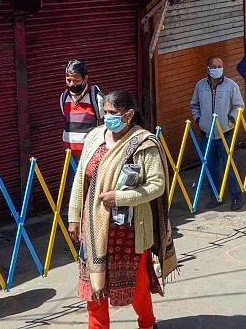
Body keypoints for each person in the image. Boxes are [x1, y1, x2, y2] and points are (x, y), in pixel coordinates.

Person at [68, 90, 177, 329]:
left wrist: (120, 197)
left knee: (137, 283)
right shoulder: (95, 137)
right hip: (95, 226)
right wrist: (73, 216)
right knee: (94, 288)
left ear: (128, 115)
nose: (108, 118)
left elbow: (157, 184)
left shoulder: (143, 143)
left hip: (130, 229)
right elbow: (80, 179)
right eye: (105, 113)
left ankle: (147, 323)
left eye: (113, 113)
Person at [191, 56, 245, 210]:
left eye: (219, 66)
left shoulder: (231, 86)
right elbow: (194, 104)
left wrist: (231, 119)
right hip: (206, 134)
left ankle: (236, 197)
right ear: (207, 68)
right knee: (210, 167)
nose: (217, 69)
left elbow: (239, 106)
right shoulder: (200, 86)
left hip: (225, 133)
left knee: (230, 167)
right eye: (213, 66)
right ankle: (215, 196)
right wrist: (199, 119)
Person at [62, 59, 105, 161]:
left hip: (91, 156)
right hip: (70, 156)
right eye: (68, 80)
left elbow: (104, 125)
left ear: (85, 79)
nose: (72, 84)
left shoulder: (97, 98)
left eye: (76, 81)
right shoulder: (63, 98)